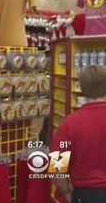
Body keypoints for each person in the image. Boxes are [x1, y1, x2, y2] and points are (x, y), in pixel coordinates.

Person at [52, 65, 106, 203]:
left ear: (81, 88)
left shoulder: (69, 124)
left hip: (84, 194)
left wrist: (66, 192)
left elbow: (56, 167)